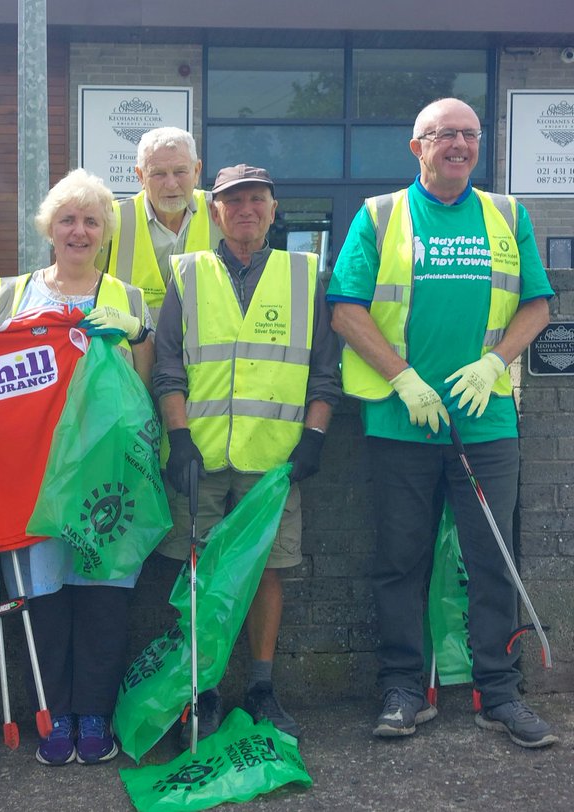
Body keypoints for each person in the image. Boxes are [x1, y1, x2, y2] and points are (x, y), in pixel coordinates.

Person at [329, 98, 557, 748]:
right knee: (401, 561)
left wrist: (493, 364)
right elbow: (346, 309)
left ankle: (499, 694)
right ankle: (404, 690)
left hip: (487, 427)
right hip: (402, 426)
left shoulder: (507, 214)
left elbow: (538, 306)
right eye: (443, 134)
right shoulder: (380, 215)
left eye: (468, 134)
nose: (458, 143)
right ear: (417, 145)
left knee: (492, 562)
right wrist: (401, 376)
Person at [153, 164, 341, 745]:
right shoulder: (186, 273)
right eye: (233, 202)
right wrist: (178, 438)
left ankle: (260, 686)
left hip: (274, 460)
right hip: (200, 459)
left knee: (265, 573)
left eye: (257, 200)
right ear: (214, 212)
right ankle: (200, 690)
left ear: (272, 207)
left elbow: (324, 375)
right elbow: (167, 369)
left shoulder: (307, 274)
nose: (245, 211)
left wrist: (314, 437)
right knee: (197, 576)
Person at [0, 167, 154, 766]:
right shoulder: (11, 295)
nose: (79, 231)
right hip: (32, 475)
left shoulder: (128, 297)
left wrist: (137, 333)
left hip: (109, 477)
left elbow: (146, 384)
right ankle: (54, 712)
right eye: (67, 219)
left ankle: (94, 713)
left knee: (104, 598)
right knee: (47, 597)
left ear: (106, 231)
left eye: (90, 220)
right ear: (48, 228)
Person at [101, 126, 220, 321]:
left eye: (180, 171)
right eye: (158, 174)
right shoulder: (112, 219)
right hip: (131, 349)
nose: (171, 184)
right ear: (140, 176)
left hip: (200, 350)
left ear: (197, 171)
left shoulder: (220, 213)